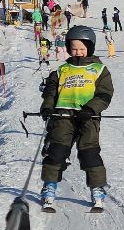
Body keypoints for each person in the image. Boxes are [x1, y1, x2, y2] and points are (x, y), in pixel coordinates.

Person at [38, 25, 114, 211]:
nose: (78, 52)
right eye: (74, 49)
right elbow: (50, 92)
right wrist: (47, 108)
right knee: (56, 152)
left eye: (82, 48)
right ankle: (49, 186)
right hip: (63, 116)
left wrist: (91, 108)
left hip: (88, 118)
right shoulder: (62, 70)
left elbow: (105, 95)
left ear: (90, 48)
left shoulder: (99, 69)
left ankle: (97, 189)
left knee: (89, 153)